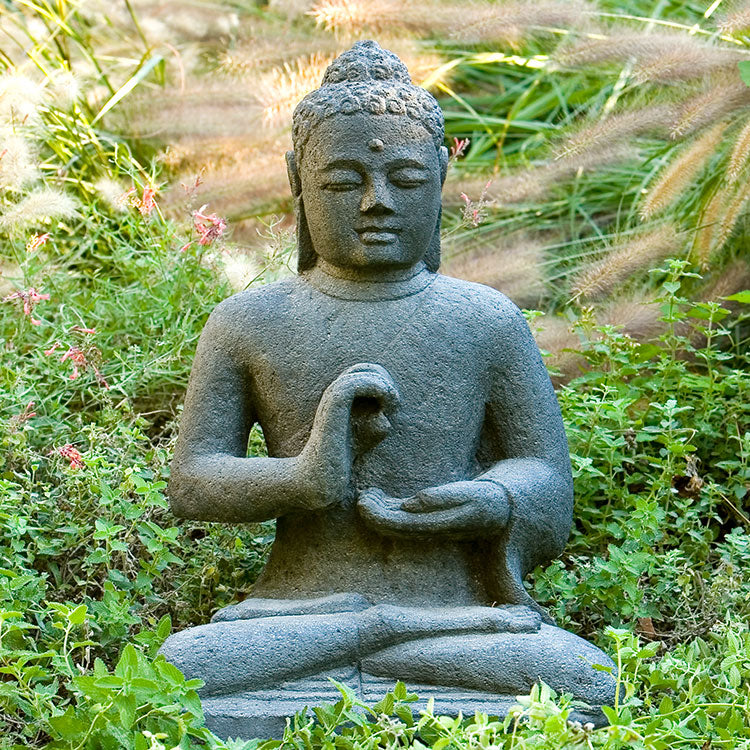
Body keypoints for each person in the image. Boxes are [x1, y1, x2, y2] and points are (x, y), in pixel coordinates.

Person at [161, 41, 617, 738]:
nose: (377, 203)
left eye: (405, 178)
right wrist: (305, 477)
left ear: (440, 175)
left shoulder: (485, 320)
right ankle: (381, 635)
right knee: (181, 665)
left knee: (587, 679)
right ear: (298, 182)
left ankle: (381, 634)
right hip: (295, 610)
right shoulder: (248, 321)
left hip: (457, 612)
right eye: (344, 181)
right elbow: (194, 481)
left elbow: (548, 481)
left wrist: (493, 500)